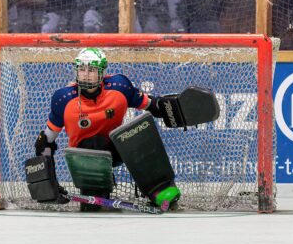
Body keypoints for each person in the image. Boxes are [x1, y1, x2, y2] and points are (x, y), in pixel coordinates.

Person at [33, 48, 182, 212]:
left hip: (116, 147)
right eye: (82, 69)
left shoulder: (120, 86)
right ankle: (96, 192)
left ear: (102, 72)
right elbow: (45, 141)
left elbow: (151, 105)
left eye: (92, 70)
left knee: (138, 133)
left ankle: (159, 188)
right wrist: (49, 182)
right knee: (93, 143)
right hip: (84, 155)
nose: (86, 74)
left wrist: (173, 109)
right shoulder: (63, 98)